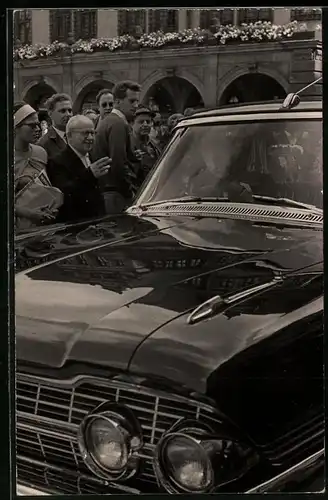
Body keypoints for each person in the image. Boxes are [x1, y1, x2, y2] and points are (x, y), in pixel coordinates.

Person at [47, 115, 110, 223]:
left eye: (92, 133)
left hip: (98, 223)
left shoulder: (93, 156)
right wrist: (89, 174)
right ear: (69, 136)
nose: (90, 138)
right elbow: (64, 193)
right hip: (75, 226)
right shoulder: (57, 161)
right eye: (85, 133)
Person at [91, 80, 141, 214]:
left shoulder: (109, 121)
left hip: (109, 190)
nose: (136, 105)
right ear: (118, 101)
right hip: (115, 193)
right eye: (131, 101)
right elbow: (118, 162)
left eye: (137, 101)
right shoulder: (117, 123)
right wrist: (129, 192)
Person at [14, 102, 63, 229]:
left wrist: (51, 207)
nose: (37, 129)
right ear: (15, 127)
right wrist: (29, 213)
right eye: (31, 126)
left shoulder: (40, 152)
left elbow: (43, 187)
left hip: (41, 225)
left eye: (38, 124)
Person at [131, 105, 161, 188]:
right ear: (132, 124)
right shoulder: (128, 145)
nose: (145, 124)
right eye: (141, 122)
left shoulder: (155, 145)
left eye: (148, 122)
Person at [38, 93, 73, 160]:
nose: (68, 114)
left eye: (70, 110)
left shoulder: (78, 135)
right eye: (63, 111)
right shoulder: (43, 144)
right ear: (50, 114)